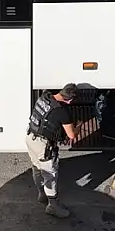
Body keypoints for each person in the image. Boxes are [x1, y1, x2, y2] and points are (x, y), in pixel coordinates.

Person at [26, 84, 79, 219]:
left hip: (31, 137)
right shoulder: (62, 112)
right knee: (50, 175)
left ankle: (41, 194)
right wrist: (79, 126)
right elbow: (71, 135)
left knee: (37, 168)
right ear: (70, 100)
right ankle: (53, 206)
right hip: (44, 146)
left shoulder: (44, 97)